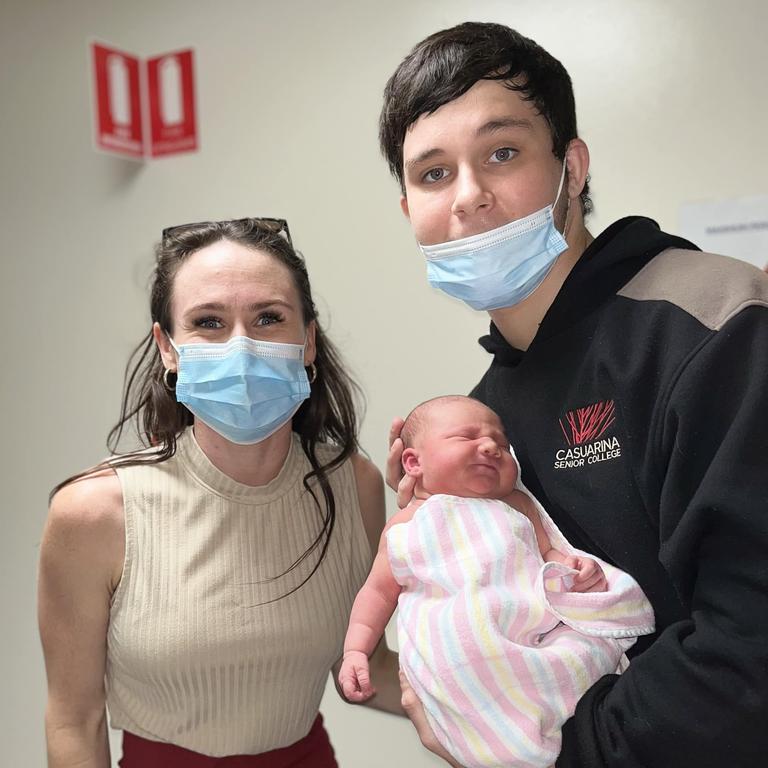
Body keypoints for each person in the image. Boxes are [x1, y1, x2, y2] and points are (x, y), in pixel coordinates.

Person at [378, 21, 768, 768]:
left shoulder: (714, 325)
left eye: (502, 153)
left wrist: (564, 752)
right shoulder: (486, 410)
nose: (468, 197)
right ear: (408, 212)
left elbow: (749, 647)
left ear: (573, 167)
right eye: (432, 174)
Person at [37, 218, 403, 768]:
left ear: (308, 340)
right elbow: (74, 719)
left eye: (268, 318)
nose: (242, 347)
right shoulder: (93, 514)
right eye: (208, 322)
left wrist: (530, 700)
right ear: (168, 348)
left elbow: (368, 669)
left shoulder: (354, 484)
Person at [339, 395, 654, 768]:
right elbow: (377, 591)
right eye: (465, 437)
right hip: (464, 656)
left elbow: (549, 553)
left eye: (502, 445)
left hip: (533, 634)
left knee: (585, 657)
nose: (490, 446)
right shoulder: (406, 526)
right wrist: (356, 650)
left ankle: (568, 726)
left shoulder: (517, 505)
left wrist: (573, 570)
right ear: (413, 462)